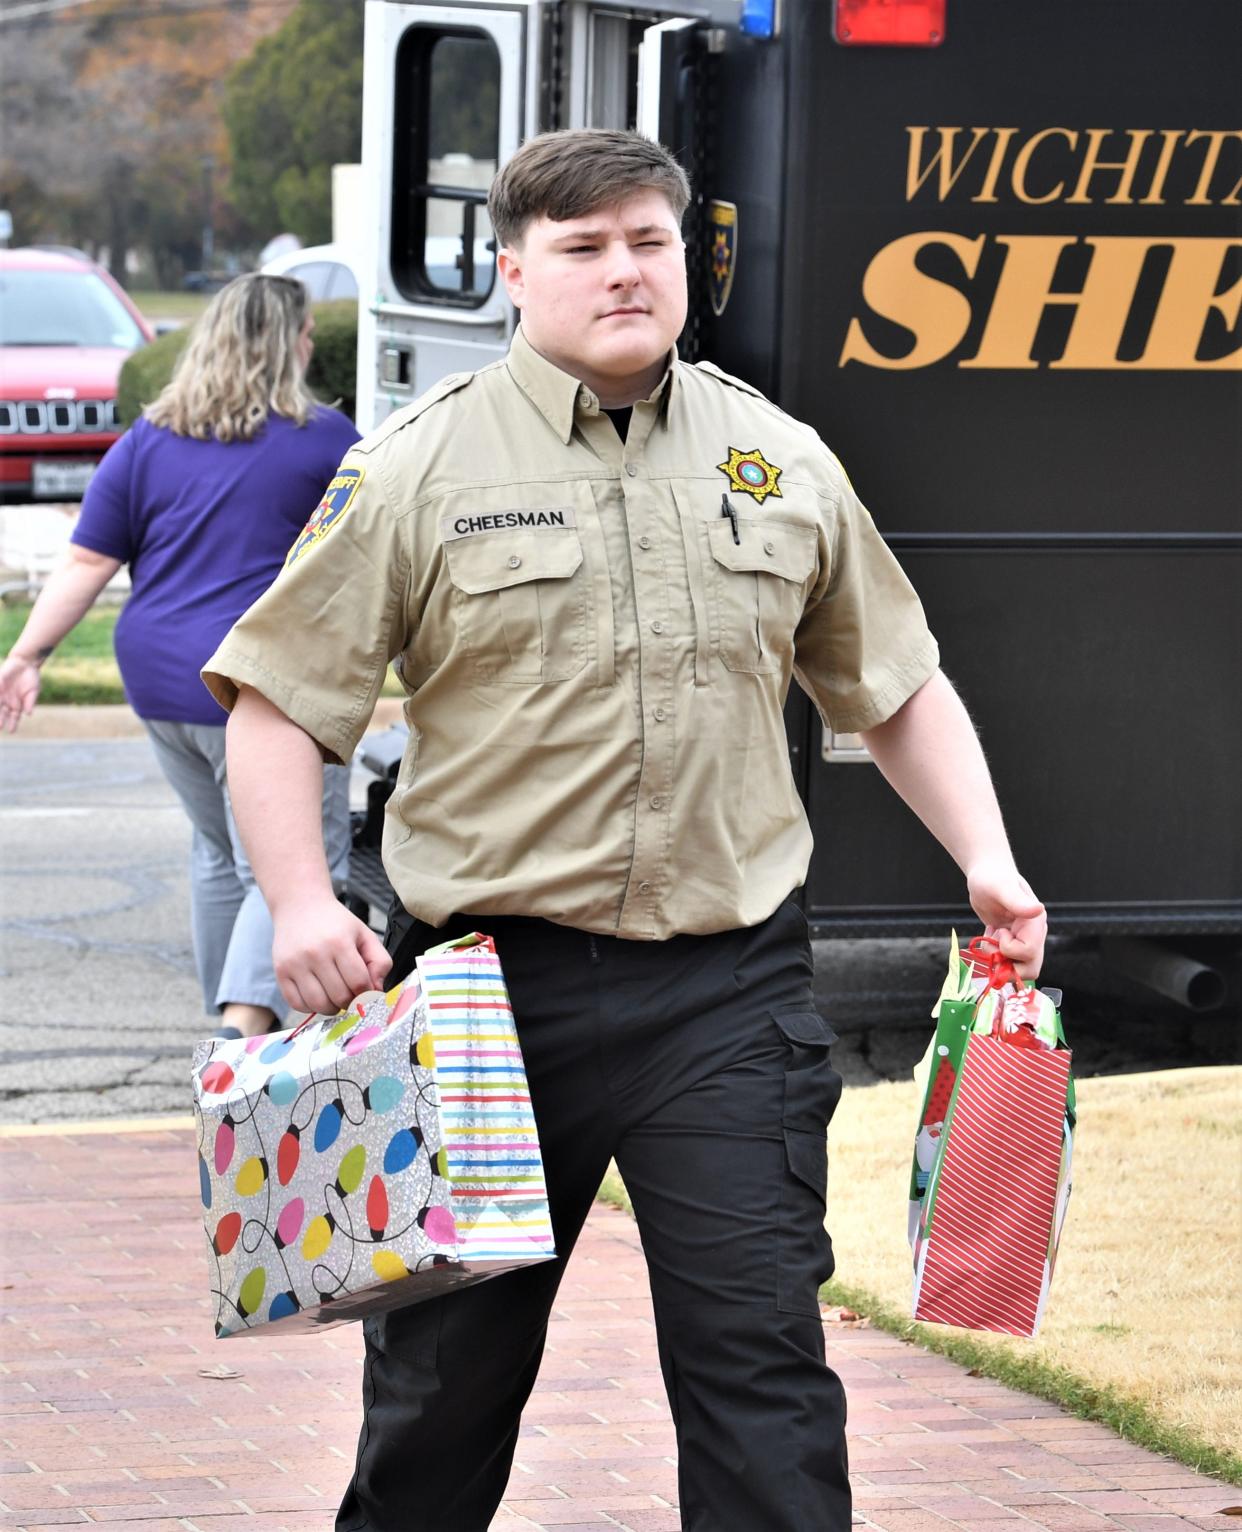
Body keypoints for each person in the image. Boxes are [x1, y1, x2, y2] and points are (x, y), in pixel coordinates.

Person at [202, 131, 1047, 1530]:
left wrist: (985, 856)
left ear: (685, 262)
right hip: (484, 998)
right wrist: (298, 904)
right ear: (514, 270)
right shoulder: (416, 467)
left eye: (646, 241)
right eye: (583, 248)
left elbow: (892, 685)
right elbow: (277, 705)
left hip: (723, 993)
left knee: (761, 1370)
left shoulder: (774, 462)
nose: (621, 272)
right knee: (440, 1396)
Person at [0, 273, 358, 1039]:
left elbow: (86, 565)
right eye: (304, 335)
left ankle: (233, 1021)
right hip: (264, 683)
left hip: (160, 680)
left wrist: (27, 656)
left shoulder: (147, 441)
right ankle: (242, 1029)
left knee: (220, 849)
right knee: (294, 860)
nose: (307, 347)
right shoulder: (327, 441)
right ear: (286, 344)